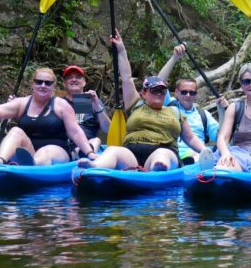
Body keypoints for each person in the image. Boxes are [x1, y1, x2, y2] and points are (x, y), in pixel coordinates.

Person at [78, 31, 209, 171]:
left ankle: (157, 168)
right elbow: (127, 77)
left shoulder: (175, 112)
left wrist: (205, 152)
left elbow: (190, 138)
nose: (159, 93)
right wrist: (121, 50)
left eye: (162, 90)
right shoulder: (136, 104)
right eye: (154, 90)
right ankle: (95, 166)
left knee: (161, 156)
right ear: (143, 93)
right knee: (114, 151)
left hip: (163, 150)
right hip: (132, 154)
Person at [0, 68, 97, 166]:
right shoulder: (21, 103)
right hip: (30, 150)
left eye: (48, 83)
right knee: (15, 131)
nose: (43, 85)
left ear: (53, 86)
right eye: (39, 82)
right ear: (33, 84)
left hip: (57, 151)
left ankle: (33, 164)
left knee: (48, 150)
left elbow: (76, 132)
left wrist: (89, 153)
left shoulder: (65, 104)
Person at [157, 44, 229, 162]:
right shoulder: (168, 105)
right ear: (177, 92)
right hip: (171, 152)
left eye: (192, 93)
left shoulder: (203, 115)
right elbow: (158, 82)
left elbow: (220, 137)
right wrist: (174, 58)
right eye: (184, 92)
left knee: (211, 153)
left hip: (199, 153)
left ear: (196, 94)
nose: (188, 96)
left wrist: (222, 112)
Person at [61, 65, 108, 157]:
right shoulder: (59, 103)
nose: (74, 79)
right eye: (69, 77)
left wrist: (97, 106)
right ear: (64, 83)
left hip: (89, 143)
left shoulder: (92, 101)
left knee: (96, 140)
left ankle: (84, 152)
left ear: (84, 82)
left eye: (78, 77)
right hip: (65, 144)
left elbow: (107, 129)